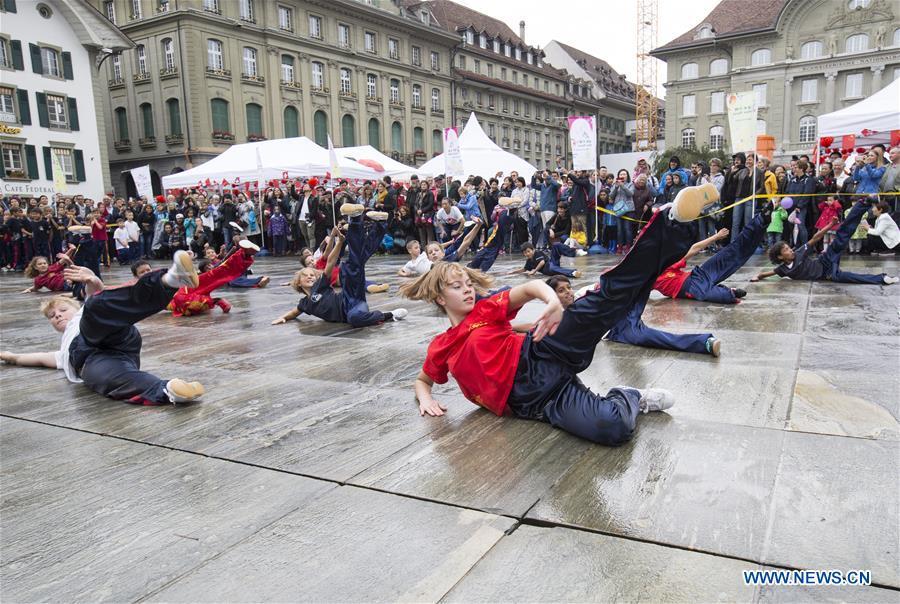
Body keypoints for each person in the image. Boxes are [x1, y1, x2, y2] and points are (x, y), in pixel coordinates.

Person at [399, 189, 712, 445]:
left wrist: (551, 300)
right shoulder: (441, 346)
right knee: (613, 428)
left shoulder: (485, 308)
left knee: (607, 300)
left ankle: (671, 223)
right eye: (457, 287)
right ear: (440, 298)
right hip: (537, 402)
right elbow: (423, 380)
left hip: (541, 349)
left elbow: (530, 287)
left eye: (468, 283)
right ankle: (630, 396)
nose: (467, 290)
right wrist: (425, 398)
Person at [0, 251, 205, 405]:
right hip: (102, 360)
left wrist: (93, 280)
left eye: (62, 310)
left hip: (111, 333)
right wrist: (10, 356)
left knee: (96, 305)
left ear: (75, 308)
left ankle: (170, 281)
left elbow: (95, 295)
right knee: (110, 379)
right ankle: (168, 390)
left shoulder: (81, 316)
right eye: (52, 316)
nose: (58, 315)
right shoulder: (62, 352)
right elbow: (37, 358)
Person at [273, 205, 408, 327]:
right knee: (354, 317)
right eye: (305, 275)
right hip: (354, 311)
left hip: (350, 297)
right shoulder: (304, 304)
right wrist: (283, 318)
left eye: (312, 275)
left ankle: (359, 220)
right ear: (298, 283)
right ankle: (389, 315)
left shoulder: (319, 285)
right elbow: (293, 313)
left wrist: (338, 243)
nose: (310, 277)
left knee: (352, 264)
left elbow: (330, 262)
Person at [755, 200, 899, 285]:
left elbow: (815, 238)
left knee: (841, 236)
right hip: (827, 274)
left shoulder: (799, 252)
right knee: (846, 277)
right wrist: (757, 277)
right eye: (786, 250)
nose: (790, 250)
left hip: (825, 260)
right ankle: (883, 278)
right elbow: (765, 274)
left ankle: (862, 204)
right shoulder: (782, 270)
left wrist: (830, 225)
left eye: (788, 247)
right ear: (780, 257)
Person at [654, 203, 771, 304]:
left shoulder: (663, 263)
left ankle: (761, 220)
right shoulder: (647, 277)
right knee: (726, 297)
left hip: (697, 276)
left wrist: (716, 237)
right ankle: (731, 291)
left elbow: (693, 249)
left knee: (731, 253)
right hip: (692, 289)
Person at [168, 241, 260, 317]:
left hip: (185, 296)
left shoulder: (210, 271)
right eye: (207, 267)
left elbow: (222, 266)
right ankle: (217, 301)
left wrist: (239, 253)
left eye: (210, 266)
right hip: (185, 297)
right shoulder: (202, 275)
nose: (209, 267)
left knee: (223, 274)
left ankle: (244, 256)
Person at [514, 242, 584, 278]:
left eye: (528, 251)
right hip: (548, 270)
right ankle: (573, 273)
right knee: (553, 268)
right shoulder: (529, 261)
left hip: (552, 263)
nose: (527, 254)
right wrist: (512, 272)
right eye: (525, 253)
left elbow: (542, 262)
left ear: (533, 250)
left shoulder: (537, 253)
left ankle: (574, 252)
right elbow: (524, 269)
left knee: (556, 245)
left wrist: (534, 271)